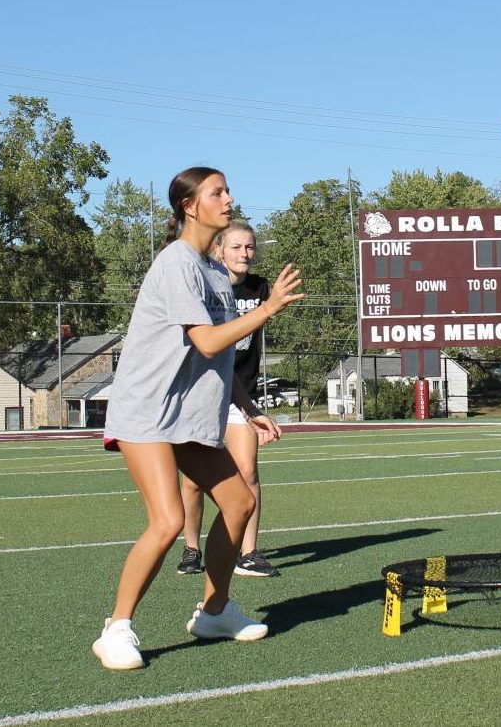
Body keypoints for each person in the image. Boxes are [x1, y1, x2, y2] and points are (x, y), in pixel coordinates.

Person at [92, 167, 303, 670]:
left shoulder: (213, 273)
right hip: (146, 410)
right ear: (190, 206)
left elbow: (219, 357)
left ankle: (213, 610)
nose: (229, 198)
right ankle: (116, 628)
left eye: (228, 189)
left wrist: (249, 408)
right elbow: (206, 340)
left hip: (185, 415)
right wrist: (269, 307)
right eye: (217, 192)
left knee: (238, 502)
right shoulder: (176, 262)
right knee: (166, 521)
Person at [177, 220, 280, 579]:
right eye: (236, 247)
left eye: (250, 247)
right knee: (193, 479)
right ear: (219, 249)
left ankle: (248, 552)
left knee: (248, 470)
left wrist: (250, 404)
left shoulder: (261, 287)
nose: (244, 253)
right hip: (203, 390)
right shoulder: (205, 284)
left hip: (241, 390)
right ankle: (192, 547)